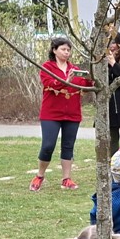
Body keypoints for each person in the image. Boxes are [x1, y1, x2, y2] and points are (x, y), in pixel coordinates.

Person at [32, 36, 91, 192]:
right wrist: (66, 79)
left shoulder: (75, 69)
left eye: (68, 50)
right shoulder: (47, 67)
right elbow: (50, 84)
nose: (66, 52)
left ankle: (66, 179)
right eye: (63, 49)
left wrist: (90, 77)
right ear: (54, 50)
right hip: (51, 113)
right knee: (48, 145)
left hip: (72, 114)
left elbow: (87, 85)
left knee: (68, 146)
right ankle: (39, 176)